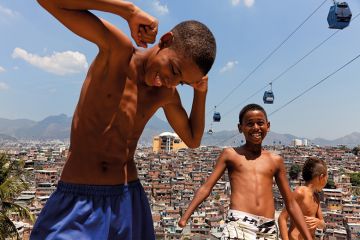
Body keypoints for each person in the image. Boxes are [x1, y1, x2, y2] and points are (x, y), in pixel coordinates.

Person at [31, 0, 216, 239]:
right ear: (166, 40)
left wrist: (200, 94)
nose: (171, 82)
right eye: (174, 70)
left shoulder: (165, 93)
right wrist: (128, 11)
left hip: (128, 201)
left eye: (181, 82)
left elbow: (192, 139)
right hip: (79, 200)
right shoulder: (117, 50)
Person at [178, 103, 313, 240]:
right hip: (238, 224)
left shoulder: (275, 160)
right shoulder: (230, 154)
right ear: (240, 128)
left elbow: (290, 203)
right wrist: (186, 216)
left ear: (268, 125)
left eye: (260, 123)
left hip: (268, 228)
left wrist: (308, 237)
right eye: (250, 124)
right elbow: (207, 187)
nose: (256, 128)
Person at [278, 157, 327, 240]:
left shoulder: (316, 197)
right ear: (321, 177)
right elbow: (282, 218)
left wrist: (318, 222)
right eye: (327, 176)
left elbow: (323, 224)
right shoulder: (300, 192)